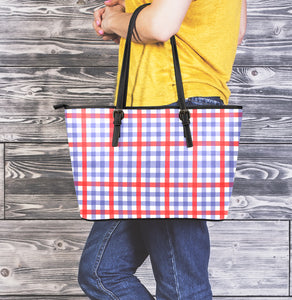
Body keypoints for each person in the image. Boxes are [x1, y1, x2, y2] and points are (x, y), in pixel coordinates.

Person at [78, 0, 247, 299]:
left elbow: (159, 25)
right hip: (153, 118)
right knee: (101, 271)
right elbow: (233, 30)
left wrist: (114, 20)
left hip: (171, 112)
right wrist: (127, 19)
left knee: (182, 287)